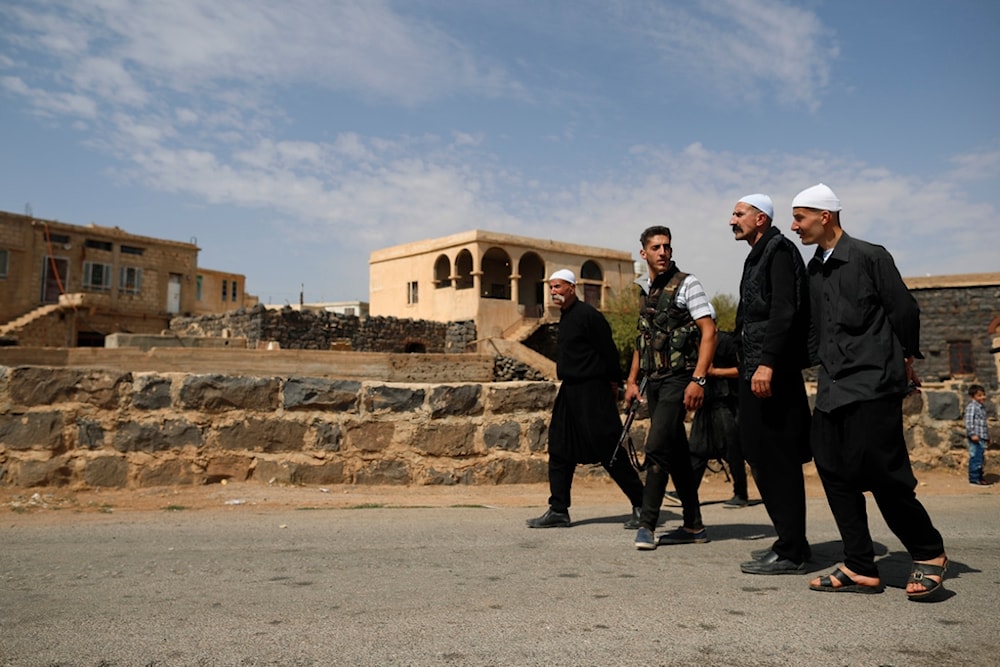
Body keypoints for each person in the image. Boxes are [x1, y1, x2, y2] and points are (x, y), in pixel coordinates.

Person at [791, 183, 948, 598]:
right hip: (833, 387)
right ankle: (860, 565)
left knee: (885, 474)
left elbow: (904, 310)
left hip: (874, 382)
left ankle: (929, 552)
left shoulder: (870, 256)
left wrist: (907, 361)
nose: (795, 226)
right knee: (831, 467)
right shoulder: (815, 268)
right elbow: (815, 327)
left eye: (800, 217)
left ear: (825, 216)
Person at [728, 193, 813, 576]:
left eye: (739, 213)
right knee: (759, 453)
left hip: (769, 374)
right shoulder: (759, 252)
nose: (733, 219)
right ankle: (789, 542)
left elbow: (784, 311)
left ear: (761, 218)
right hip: (754, 370)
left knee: (777, 458)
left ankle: (792, 551)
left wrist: (767, 364)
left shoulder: (778, 250)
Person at [526, 269, 646, 529]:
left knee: (608, 447)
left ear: (571, 287)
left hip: (594, 391)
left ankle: (642, 505)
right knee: (558, 446)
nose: (553, 291)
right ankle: (558, 509)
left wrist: (615, 385)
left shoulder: (589, 316)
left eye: (557, 286)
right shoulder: (565, 317)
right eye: (551, 287)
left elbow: (609, 352)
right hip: (570, 391)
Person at [624, 226, 717, 550]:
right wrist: (632, 380)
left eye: (667, 246)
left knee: (658, 447)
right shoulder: (645, 290)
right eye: (656, 247)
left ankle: (648, 524)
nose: (663, 252)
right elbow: (642, 338)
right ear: (644, 253)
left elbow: (709, 332)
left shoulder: (687, 284)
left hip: (680, 378)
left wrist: (699, 379)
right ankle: (693, 525)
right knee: (676, 453)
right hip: (655, 381)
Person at [686, 329, 749, 508]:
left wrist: (715, 372)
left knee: (732, 449)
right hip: (705, 403)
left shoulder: (726, 341)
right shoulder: (692, 342)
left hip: (725, 402)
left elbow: (742, 369)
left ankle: (741, 493)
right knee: (697, 449)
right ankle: (688, 492)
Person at [965, 384, 992, 486]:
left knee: (980, 458)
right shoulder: (972, 407)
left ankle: (980, 477)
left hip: (982, 437)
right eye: (979, 395)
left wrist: (987, 437)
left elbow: (983, 424)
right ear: (973, 397)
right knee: (975, 457)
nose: (982, 397)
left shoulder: (981, 408)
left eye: (983, 395)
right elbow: (969, 422)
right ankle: (974, 478)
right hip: (975, 437)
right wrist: (972, 434)